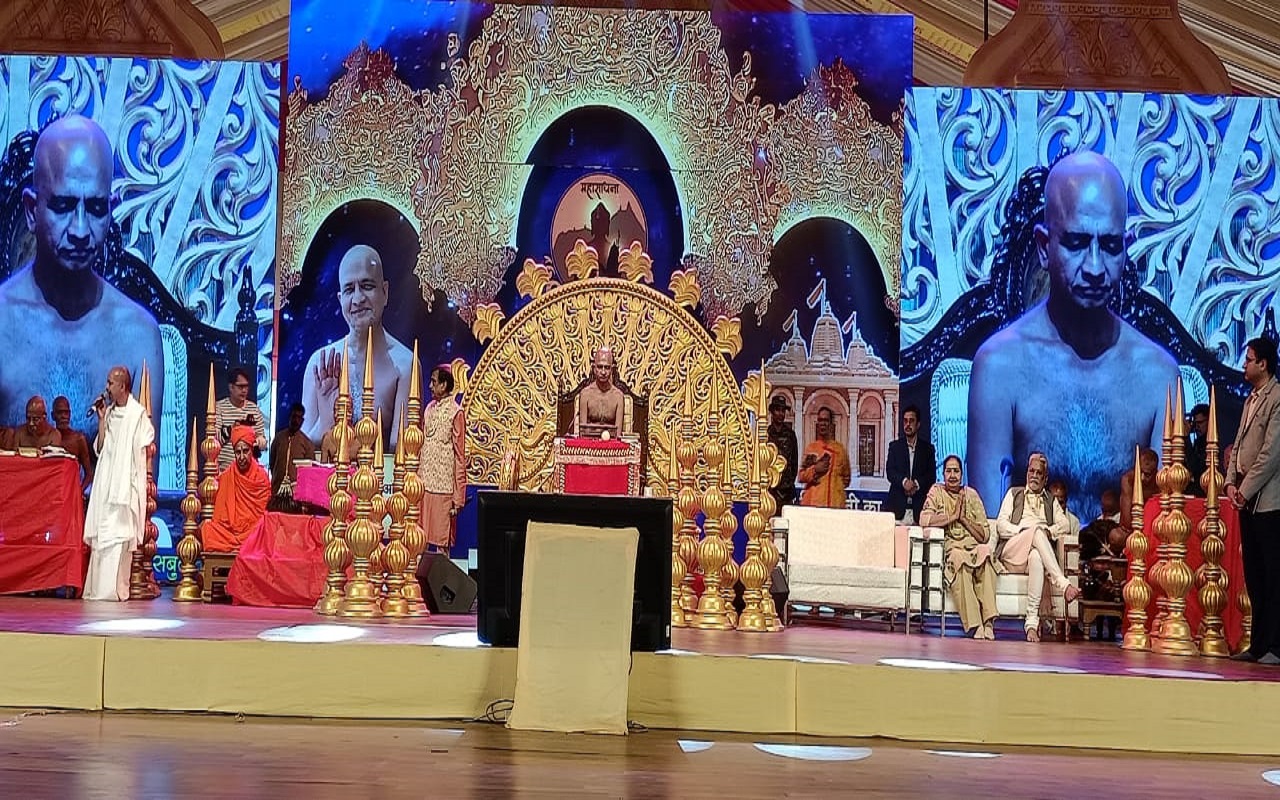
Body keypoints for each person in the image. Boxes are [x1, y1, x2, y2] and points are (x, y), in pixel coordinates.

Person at [967, 152, 1179, 518]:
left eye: (1110, 246)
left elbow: (1166, 526)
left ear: (1126, 247)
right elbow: (989, 523)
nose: (1095, 267)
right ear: (1043, 246)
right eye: (1077, 243)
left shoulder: (1158, 375)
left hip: (1127, 555)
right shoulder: (999, 367)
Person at [0, 115, 163, 448]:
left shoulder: (138, 336)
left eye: (96, 208)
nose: (79, 230)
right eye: (63, 206)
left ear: (111, 210)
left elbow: (142, 474)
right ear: (32, 210)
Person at [301, 244, 416, 448]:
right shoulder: (320, 364)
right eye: (349, 289)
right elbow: (303, 453)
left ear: (385, 292)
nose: (357, 299)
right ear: (340, 299)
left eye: (367, 286)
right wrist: (325, 421)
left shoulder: (405, 365)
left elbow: (402, 454)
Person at [1226, 337, 1280, 663]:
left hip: (1270, 500)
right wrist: (1230, 482)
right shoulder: (1250, 400)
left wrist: (1245, 489)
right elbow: (1239, 444)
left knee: (1273, 574)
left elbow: (1271, 454)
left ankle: (1275, 645)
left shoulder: (1277, 398)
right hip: (1247, 498)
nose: (1244, 365)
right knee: (1255, 574)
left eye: (1248, 359)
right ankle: (1258, 644)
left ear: (1263, 364)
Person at [82, 366, 154, 601]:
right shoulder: (110, 413)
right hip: (106, 482)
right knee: (102, 536)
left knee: (118, 536)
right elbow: (101, 448)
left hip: (124, 485)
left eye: (110, 383)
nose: (107, 387)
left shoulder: (137, 414)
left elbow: (145, 443)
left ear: (122, 386)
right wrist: (102, 419)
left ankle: (115, 591)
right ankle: (97, 590)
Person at [994, 452, 1081, 641]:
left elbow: (1064, 525)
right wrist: (1024, 531)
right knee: (1035, 531)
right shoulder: (1014, 493)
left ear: (1045, 478)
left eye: (1038, 473)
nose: (1034, 475)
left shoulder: (1051, 500)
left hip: (1034, 553)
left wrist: (1047, 532)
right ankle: (1063, 583)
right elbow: (1001, 525)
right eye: (1031, 471)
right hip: (1013, 551)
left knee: (1036, 557)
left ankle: (1031, 624)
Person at [919, 455, 1001, 640]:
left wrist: (963, 519)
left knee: (986, 554)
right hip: (953, 548)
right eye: (948, 471)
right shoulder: (936, 492)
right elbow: (924, 519)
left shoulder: (971, 495)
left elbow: (984, 535)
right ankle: (976, 624)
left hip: (973, 547)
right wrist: (952, 517)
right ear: (943, 474)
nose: (952, 475)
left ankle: (989, 622)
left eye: (956, 471)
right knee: (959, 560)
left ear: (962, 474)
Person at [418, 366, 466, 552]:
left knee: (441, 545)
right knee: (420, 540)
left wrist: (458, 497)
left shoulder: (456, 412)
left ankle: (441, 573)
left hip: (443, 488)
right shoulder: (429, 409)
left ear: (444, 385)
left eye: (434, 382)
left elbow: (460, 456)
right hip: (424, 486)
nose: (430, 386)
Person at [202, 425, 271, 553]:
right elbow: (221, 518)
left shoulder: (261, 478)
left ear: (251, 450)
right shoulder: (228, 475)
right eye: (238, 452)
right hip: (230, 533)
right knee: (207, 529)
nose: (242, 457)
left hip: (252, 531)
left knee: (265, 527)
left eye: (245, 451)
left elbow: (263, 514)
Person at [886, 404, 936, 524]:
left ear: (918, 424)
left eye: (911, 421)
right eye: (905, 421)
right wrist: (904, 482)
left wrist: (915, 485)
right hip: (897, 509)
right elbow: (890, 472)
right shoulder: (894, 447)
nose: (907, 424)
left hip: (920, 510)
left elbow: (931, 476)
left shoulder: (927, 449)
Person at [215, 367, 267, 472]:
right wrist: (233, 429)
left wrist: (260, 442)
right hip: (225, 469)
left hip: (249, 471)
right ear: (231, 387)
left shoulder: (254, 409)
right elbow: (215, 440)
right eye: (240, 387)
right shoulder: (219, 407)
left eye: (246, 387)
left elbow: (262, 440)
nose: (244, 390)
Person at [798, 406, 851, 508]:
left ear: (831, 424)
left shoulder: (840, 450)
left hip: (835, 506)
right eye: (820, 420)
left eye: (826, 420)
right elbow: (801, 476)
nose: (823, 423)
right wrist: (815, 470)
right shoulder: (811, 448)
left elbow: (846, 479)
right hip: (814, 505)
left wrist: (835, 487)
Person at [268, 402, 315, 502]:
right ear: (289, 417)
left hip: (296, 494)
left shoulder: (307, 444)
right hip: (277, 490)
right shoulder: (278, 438)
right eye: (294, 416)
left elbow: (309, 472)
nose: (296, 420)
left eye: (299, 418)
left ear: (302, 421)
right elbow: (272, 463)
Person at [578, 346, 624, 439]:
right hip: (589, 444)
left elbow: (618, 435)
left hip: (612, 445)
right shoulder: (585, 394)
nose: (603, 372)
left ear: (612, 369)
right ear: (594, 368)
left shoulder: (618, 396)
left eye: (607, 367)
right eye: (600, 367)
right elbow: (582, 433)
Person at [52, 395, 93, 488]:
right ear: (53, 415)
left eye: (66, 413)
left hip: (71, 490)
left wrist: (79, 492)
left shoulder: (78, 439)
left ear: (70, 415)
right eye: (59, 413)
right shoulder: (48, 439)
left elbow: (89, 474)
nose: (63, 416)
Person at [766, 395, 798, 510]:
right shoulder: (766, 434)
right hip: (770, 490)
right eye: (777, 410)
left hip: (787, 491)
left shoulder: (790, 435)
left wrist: (789, 482)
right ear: (772, 412)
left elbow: (794, 462)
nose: (781, 414)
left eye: (783, 410)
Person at [1118, 448, 1159, 534]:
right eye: (1140, 471)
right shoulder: (1128, 480)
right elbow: (1127, 522)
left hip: (1152, 530)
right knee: (1115, 536)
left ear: (1155, 472)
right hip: (1130, 530)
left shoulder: (1160, 483)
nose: (1142, 478)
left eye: (1147, 474)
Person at [1185, 402, 1210, 497]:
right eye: (1195, 424)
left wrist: (1187, 438)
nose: (1197, 427)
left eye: (1200, 423)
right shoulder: (1198, 442)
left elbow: (1195, 466)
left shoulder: (1210, 443)